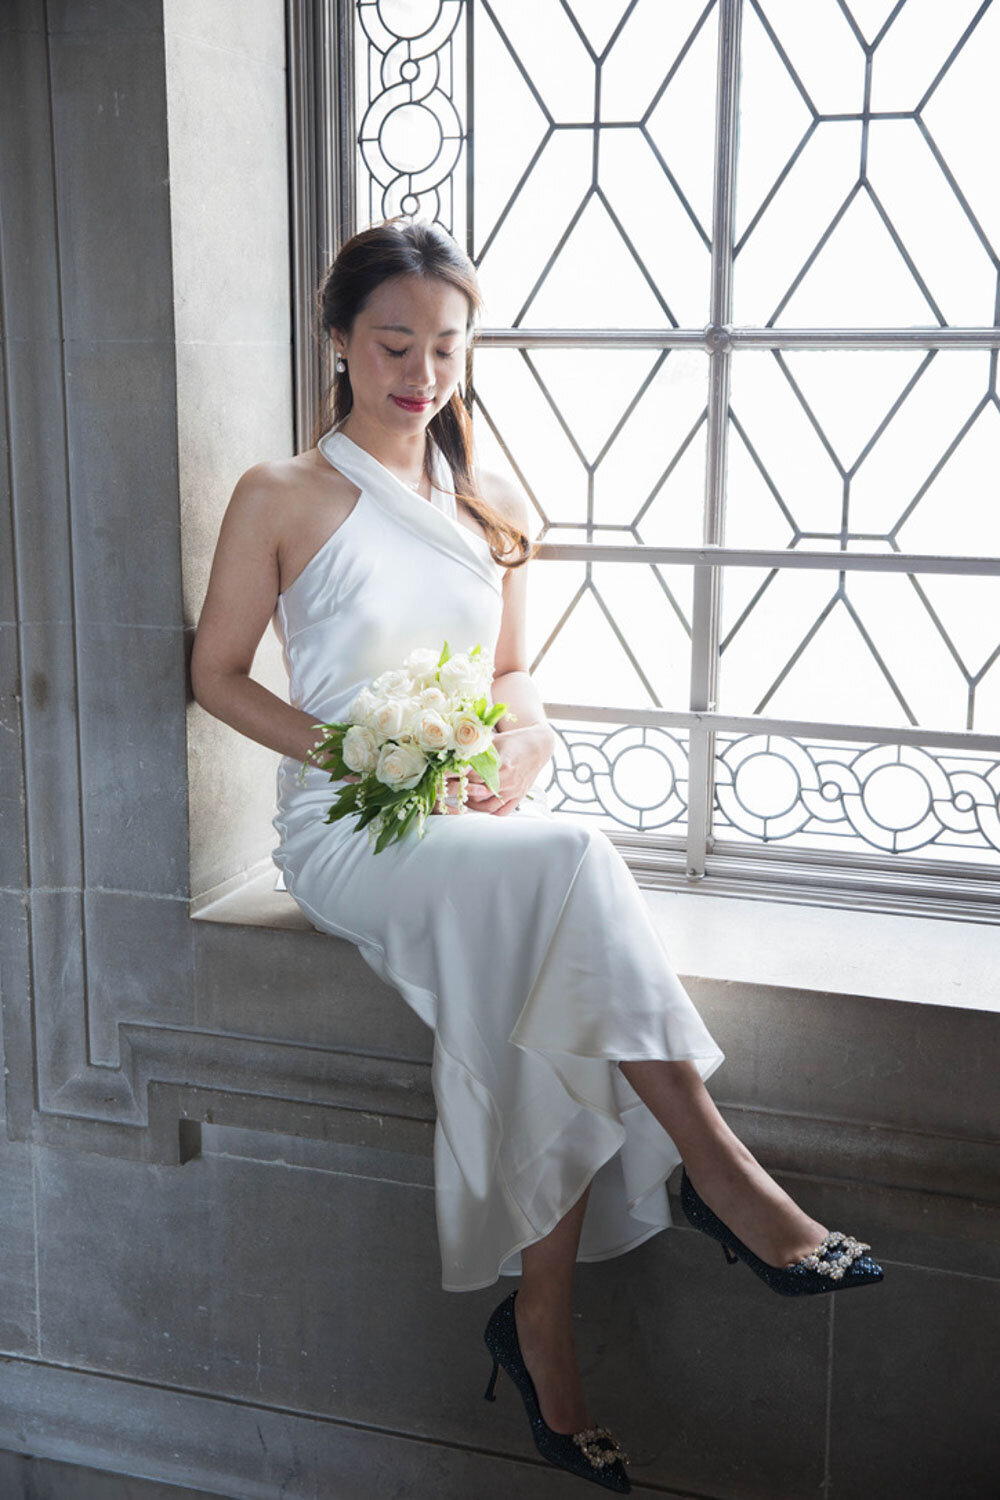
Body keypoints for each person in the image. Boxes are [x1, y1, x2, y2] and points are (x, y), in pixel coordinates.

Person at [190, 217, 883, 1494]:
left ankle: (541, 1332)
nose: (422, 371)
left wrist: (523, 746)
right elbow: (216, 676)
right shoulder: (280, 494)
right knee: (569, 871)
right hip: (346, 829)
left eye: (447, 345)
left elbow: (513, 681)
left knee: (537, 960)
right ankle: (721, 1180)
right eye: (395, 343)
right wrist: (349, 757)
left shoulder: (494, 501)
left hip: (472, 827)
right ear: (338, 339)